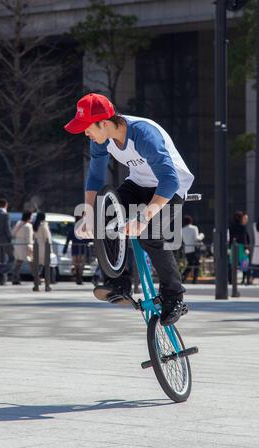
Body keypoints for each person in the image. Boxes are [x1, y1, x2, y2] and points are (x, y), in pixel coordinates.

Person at [64, 93, 194, 326]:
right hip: (139, 183)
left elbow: (170, 180)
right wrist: (89, 216)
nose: (86, 133)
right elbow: (95, 178)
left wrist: (144, 216)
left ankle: (174, 297)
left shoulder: (143, 135)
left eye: (87, 127)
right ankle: (118, 282)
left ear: (103, 123)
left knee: (152, 235)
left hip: (171, 186)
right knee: (105, 214)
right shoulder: (100, 140)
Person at [0, 199, 14, 285]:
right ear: (6, 205)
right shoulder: (6, 215)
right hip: (6, 240)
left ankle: (3, 280)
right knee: (12, 258)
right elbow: (7, 229)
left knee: (1, 259)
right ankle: (1, 272)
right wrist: (10, 238)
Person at [63, 216, 90, 285]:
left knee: (76, 264)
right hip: (83, 248)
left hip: (75, 248)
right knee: (81, 264)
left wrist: (65, 249)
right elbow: (88, 239)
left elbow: (68, 240)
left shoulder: (72, 229)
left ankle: (77, 276)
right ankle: (80, 277)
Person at [11, 211, 34, 285]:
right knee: (31, 262)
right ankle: (36, 278)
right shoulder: (28, 226)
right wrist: (31, 247)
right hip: (25, 245)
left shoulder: (18, 223)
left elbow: (13, 233)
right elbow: (29, 238)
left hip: (17, 244)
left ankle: (14, 278)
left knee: (18, 262)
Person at [182, 215, 204, 284]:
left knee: (190, 264)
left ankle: (182, 277)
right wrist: (202, 235)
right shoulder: (194, 228)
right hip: (194, 249)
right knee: (196, 264)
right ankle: (194, 280)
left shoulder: (182, 229)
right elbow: (197, 239)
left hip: (187, 249)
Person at [33, 213, 52, 278]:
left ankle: (37, 279)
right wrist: (50, 249)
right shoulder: (44, 225)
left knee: (38, 264)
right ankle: (45, 280)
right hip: (44, 247)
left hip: (36, 247)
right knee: (45, 264)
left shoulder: (35, 225)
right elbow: (47, 238)